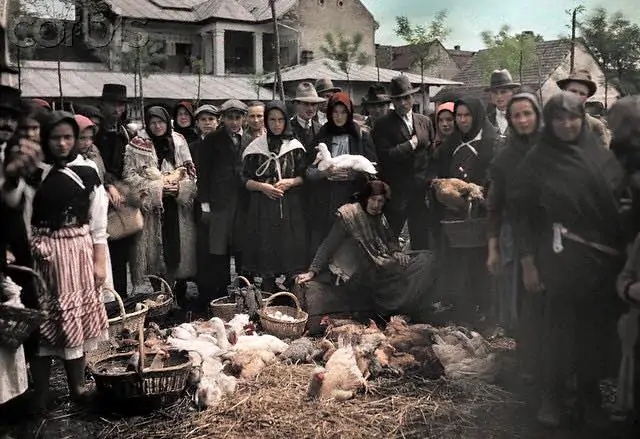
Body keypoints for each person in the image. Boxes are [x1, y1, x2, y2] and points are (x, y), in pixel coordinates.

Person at [508, 92, 624, 427]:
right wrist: (529, 262)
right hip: (555, 258)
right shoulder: (537, 160)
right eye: (559, 118)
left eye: (573, 117)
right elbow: (522, 215)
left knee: (592, 332)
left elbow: (616, 206)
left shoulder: (598, 157)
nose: (567, 124)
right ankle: (552, 396)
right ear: (550, 123)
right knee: (557, 331)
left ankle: (590, 398)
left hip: (596, 262)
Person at [28, 111, 110, 409]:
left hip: (76, 252)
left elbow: (98, 224)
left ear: (75, 139)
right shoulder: (33, 171)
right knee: (41, 322)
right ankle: (40, 393)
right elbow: (23, 216)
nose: (62, 143)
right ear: (45, 139)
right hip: (41, 254)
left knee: (74, 320)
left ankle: (78, 387)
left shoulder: (87, 171)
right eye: (55, 137)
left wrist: (99, 263)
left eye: (68, 137)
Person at [296, 180, 436, 321]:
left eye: (380, 201)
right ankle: (390, 308)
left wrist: (396, 251)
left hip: (382, 262)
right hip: (358, 272)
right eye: (373, 200)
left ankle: (403, 305)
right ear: (365, 198)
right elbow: (328, 244)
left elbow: (389, 239)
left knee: (426, 259)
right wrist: (312, 271)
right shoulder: (349, 215)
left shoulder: (380, 216)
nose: (376, 205)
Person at [486, 91, 543, 372]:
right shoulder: (505, 157)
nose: (522, 120)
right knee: (518, 294)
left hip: (549, 233)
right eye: (516, 115)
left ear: (537, 115)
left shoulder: (553, 152)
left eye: (527, 113)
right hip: (513, 233)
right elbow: (494, 205)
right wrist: (493, 245)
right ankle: (526, 356)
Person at [429, 97, 496, 327]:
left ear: (476, 116)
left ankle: (486, 313)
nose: (462, 120)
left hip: (480, 215)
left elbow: (493, 179)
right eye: (459, 115)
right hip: (455, 218)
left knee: (481, 263)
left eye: (467, 115)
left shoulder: (490, 142)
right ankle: (462, 311)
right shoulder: (450, 146)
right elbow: (436, 173)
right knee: (458, 265)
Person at [123, 106, 197, 303]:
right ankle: (158, 295)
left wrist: (181, 187)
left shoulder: (179, 141)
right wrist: (156, 188)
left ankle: (171, 294)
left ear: (167, 122)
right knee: (154, 254)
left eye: (161, 122)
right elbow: (129, 176)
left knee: (174, 250)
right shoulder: (136, 145)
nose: (157, 126)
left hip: (175, 207)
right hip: (151, 210)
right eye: (153, 122)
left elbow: (190, 170)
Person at [241, 101, 308, 291]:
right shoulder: (256, 148)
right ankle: (268, 291)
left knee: (289, 247)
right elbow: (243, 179)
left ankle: (292, 288)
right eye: (272, 120)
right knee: (266, 247)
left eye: (280, 120)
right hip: (263, 207)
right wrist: (262, 187)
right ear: (266, 121)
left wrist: (290, 182)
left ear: (286, 121)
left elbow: (305, 176)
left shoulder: (295, 147)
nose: (276, 124)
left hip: (290, 207)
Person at [306, 92, 377, 258]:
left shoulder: (360, 135)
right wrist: (325, 173)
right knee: (326, 238)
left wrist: (355, 174)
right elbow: (308, 168)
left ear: (350, 113)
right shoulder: (323, 134)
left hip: (352, 195)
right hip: (327, 197)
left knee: (351, 239)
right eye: (335, 112)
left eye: (343, 112)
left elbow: (374, 168)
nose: (339, 117)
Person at [372, 75, 433, 250]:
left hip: (420, 192)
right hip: (397, 192)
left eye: (406, 97)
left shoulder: (425, 121)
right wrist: (411, 144)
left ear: (413, 97)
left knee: (421, 239)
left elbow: (430, 154)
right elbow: (385, 156)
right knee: (389, 241)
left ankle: (420, 274)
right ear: (392, 101)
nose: (403, 103)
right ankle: (389, 275)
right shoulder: (382, 125)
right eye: (398, 99)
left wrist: (428, 181)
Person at [198, 100, 247, 299]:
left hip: (243, 200)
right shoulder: (212, 139)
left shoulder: (250, 139)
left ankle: (244, 288)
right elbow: (203, 174)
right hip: (219, 201)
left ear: (243, 118)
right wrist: (205, 205)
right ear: (223, 119)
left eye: (237, 117)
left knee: (241, 244)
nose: (234, 122)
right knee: (219, 247)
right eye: (229, 118)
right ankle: (220, 291)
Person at [94, 84, 134, 297]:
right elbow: (95, 163)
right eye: (112, 104)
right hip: (97, 197)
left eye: (120, 105)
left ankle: (121, 298)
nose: (116, 109)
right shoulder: (94, 133)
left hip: (122, 200)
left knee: (120, 255)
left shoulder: (126, 133)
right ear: (102, 105)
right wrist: (108, 185)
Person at [556, 70, 611, 148]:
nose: (577, 96)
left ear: (586, 97)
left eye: (582, 94)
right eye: (573, 91)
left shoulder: (595, 126)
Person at [485, 69, 520, 137]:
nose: (499, 96)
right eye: (495, 92)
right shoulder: (485, 121)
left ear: (512, 93)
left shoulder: (521, 117)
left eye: (503, 92)